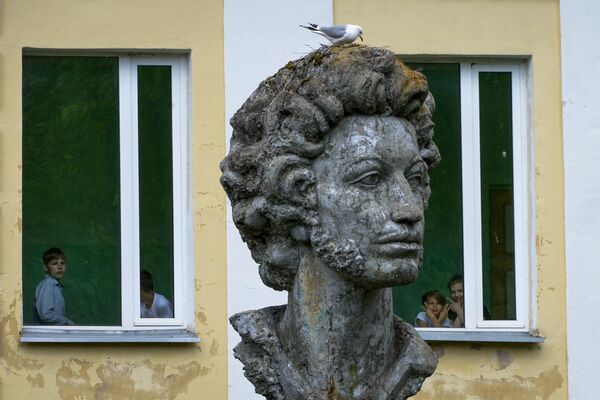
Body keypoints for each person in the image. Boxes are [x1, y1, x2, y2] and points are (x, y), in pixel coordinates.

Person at [221, 45, 441, 399]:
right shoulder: (270, 356)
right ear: (299, 192)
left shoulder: (411, 361)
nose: (408, 209)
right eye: (369, 179)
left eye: (413, 180)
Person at [33, 247, 74, 325]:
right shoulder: (47, 284)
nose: (60, 267)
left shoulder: (54, 286)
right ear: (45, 267)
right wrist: (69, 323)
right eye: (54, 263)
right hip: (46, 336)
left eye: (62, 263)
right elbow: (46, 315)